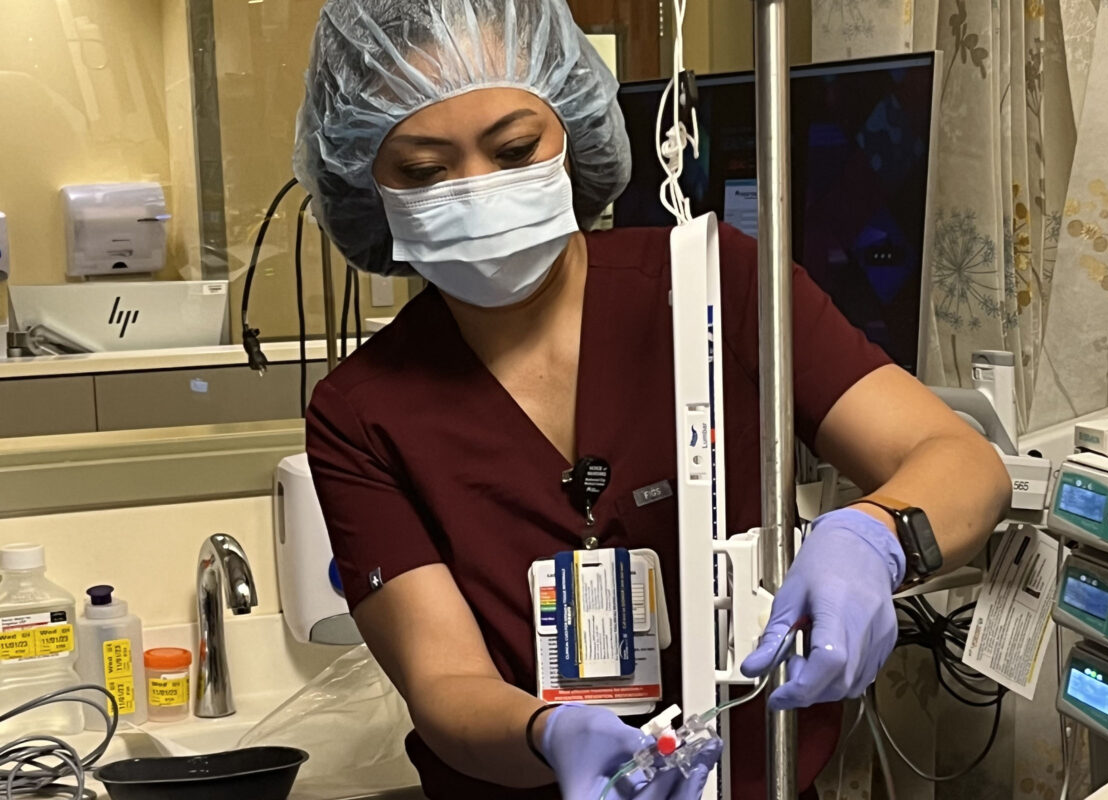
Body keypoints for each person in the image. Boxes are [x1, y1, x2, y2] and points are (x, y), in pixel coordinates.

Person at [295, 1, 1011, 798]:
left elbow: (963, 464)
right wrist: (547, 735)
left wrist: (874, 537)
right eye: (425, 171)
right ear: (364, 181)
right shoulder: (362, 412)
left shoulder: (716, 285)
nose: (478, 192)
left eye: (515, 149)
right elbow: (445, 684)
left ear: (572, 127)